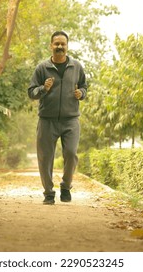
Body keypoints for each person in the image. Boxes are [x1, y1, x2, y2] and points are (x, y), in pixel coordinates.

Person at [28, 31, 88, 205]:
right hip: (47, 120)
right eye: (57, 44)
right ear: (51, 46)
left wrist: (81, 93)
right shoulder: (42, 68)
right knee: (45, 158)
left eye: (63, 44)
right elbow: (32, 93)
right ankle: (48, 193)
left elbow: (84, 86)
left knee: (71, 153)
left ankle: (66, 187)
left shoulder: (76, 66)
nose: (60, 47)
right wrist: (43, 89)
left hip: (71, 120)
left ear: (67, 46)